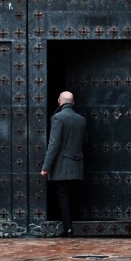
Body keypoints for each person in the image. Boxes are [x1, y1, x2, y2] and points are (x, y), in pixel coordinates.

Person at [40, 90, 86, 237]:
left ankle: (68, 229)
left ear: (59, 102)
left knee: (63, 196)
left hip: (62, 166)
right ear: (73, 103)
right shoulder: (81, 119)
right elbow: (85, 141)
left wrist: (46, 167)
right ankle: (72, 225)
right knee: (73, 195)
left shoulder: (58, 118)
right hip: (77, 163)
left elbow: (54, 144)